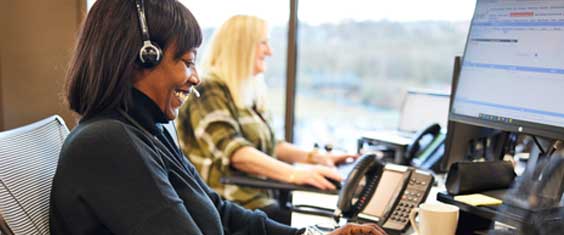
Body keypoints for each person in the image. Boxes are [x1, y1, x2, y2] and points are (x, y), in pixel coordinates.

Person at [50, 0, 386, 234]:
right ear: (141, 58)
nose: (195, 77)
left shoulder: (149, 130)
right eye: (185, 61)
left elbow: (219, 212)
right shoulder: (107, 143)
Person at [176, 15, 357, 225]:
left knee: (328, 216)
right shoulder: (209, 90)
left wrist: (316, 158)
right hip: (233, 205)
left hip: (261, 196)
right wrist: (295, 175)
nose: (269, 51)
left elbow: (271, 144)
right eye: (263, 43)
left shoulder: (245, 91)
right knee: (318, 224)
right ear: (242, 47)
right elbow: (234, 152)